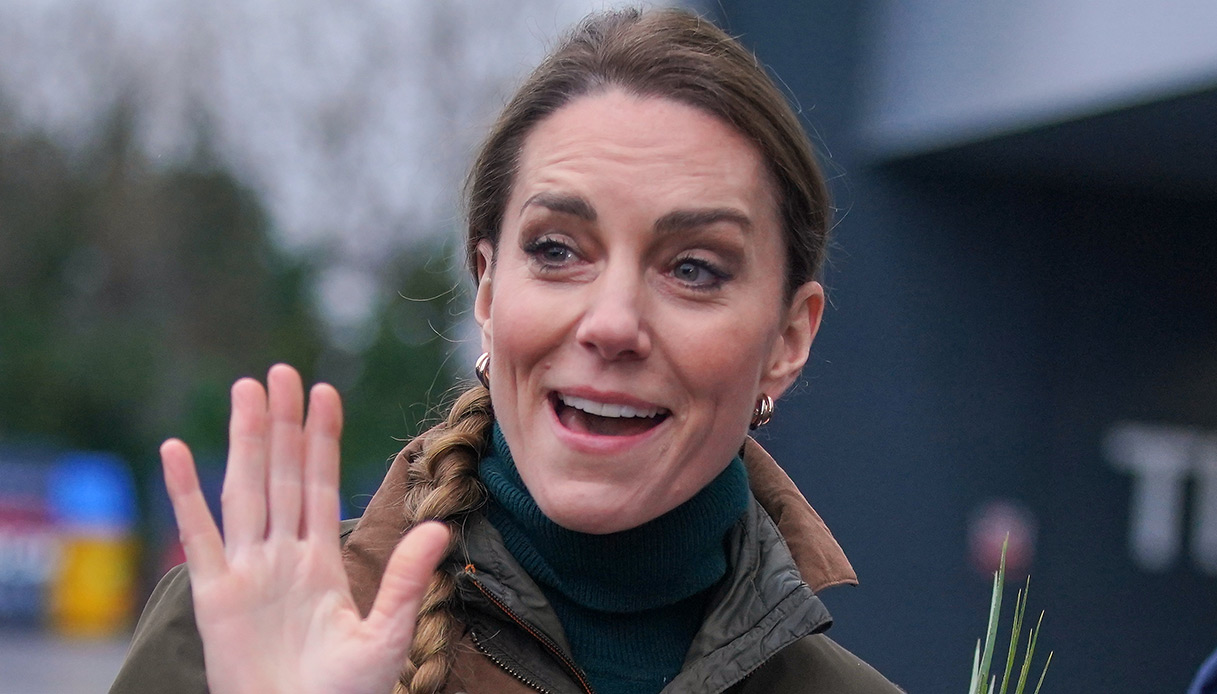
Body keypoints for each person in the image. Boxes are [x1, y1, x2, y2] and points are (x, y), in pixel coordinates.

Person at [110, 7, 902, 694]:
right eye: (557, 251)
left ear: (786, 339)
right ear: (487, 293)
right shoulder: (243, 635)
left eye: (693, 268)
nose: (610, 324)